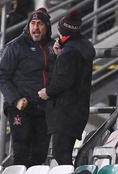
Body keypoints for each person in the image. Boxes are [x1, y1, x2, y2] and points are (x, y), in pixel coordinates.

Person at [0, 7, 56, 167]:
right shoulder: (16, 46)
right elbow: (2, 75)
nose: (36, 28)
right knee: (22, 154)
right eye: (33, 23)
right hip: (21, 109)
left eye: (40, 24)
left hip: (44, 109)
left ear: (47, 27)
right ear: (28, 26)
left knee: (39, 155)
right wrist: (15, 100)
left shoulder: (53, 46)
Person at [38, 9, 95, 165]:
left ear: (62, 30)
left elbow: (64, 79)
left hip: (65, 111)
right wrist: (60, 55)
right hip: (77, 110)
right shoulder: (82, 47)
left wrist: (47, 92)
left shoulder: (69, 52)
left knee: (60, 153)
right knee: (64, 153)